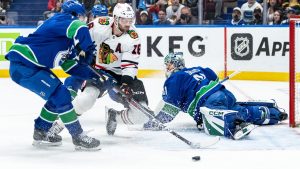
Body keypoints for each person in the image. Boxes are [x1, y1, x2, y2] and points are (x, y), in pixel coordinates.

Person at [5, 0, 103, 150]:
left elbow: (70, 66)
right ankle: (78, 136)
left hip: (30, 67)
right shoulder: (63, 19)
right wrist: (88, 48)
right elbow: (80, 28)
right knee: (61, 95)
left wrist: (94, 76)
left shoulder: (64, 37)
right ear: (76, 15)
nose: (84, 20)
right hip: (24, 65)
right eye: (82, 17)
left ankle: (41, 131)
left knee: (56, 97)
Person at [50, 3, 150, 136]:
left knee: (142, 115)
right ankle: (58, 125)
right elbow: (80, 37)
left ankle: (113, 117)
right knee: (86, 100)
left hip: (120, 73)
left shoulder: (134, 37)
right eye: (124, 20)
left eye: (130, 20)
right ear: (115, 18)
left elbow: (130, 64)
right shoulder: (99, 25)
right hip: (98, 69)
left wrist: (126, 83)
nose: (128, 24)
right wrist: (80, 52)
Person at [143, 52, 288, 140]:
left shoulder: (173, 80)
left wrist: (154, 123)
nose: (166, 68)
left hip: (209, 101)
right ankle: (272, 113)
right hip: (224, 93)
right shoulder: (197, 69)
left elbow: (170, 110)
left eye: (167, 65)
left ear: (172, 66)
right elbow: (212, 75)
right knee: (243, 111)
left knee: (219, 119)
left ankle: (237, 124)